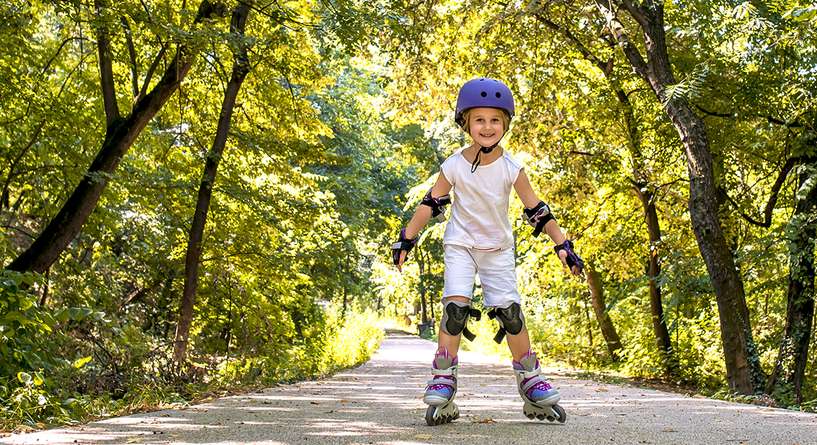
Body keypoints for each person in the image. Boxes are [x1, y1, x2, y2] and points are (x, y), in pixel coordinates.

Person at [391, 77, 584, 425]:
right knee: (455, 307)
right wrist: (407, 237)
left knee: (510, 312)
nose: (487, 127)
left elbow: (538, 210)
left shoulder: (512, 169)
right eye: (479, 119)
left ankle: (530, 375)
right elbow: (430, 203)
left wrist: (562, 244)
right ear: (466, 123)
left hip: (497, 249)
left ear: (505, 124)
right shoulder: (453, 165)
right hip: (460, 245)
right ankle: (443, 373)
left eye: (495, 120)